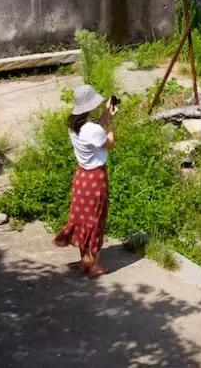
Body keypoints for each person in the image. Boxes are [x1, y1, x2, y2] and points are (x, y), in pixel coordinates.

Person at [53, 84, 115, 278]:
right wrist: (111, 126)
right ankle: (93, 264)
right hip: (96, 178)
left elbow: (96, 127)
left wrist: (107, 114)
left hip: (81, 178)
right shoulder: (93, 130)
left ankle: (84, 259)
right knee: (97, 219)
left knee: (83, 219)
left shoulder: (74, 126)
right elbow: (109, 143)